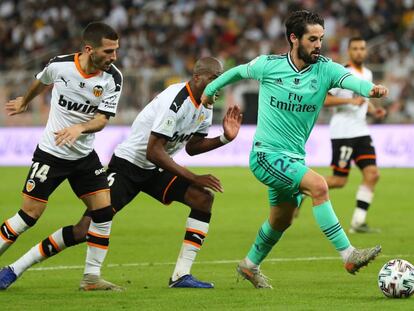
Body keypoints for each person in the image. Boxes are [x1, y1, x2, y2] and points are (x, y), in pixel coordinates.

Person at [0, 57, 243, 290]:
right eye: (215, 78)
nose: (220, 85)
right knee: (84, 230)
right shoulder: (176, 101)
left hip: (155, 169)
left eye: (222, 79)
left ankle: (181, 275)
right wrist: (194, 177)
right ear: (198, 76)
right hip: (128, 166)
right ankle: (15, 268)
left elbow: (192, 147)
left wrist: (224, 138)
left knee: (203, 199)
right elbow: (153, 151)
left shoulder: (205, 105)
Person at [201, 10, 388, 289]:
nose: (318, 44)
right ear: (294, 38)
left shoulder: (325, 69)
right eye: (312, 39)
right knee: (319, 186)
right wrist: (210, 90)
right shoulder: (269, 65)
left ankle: (249, 265)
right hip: (265, 155)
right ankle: (349, 255)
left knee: (281, 220)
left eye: (321, 38)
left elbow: (350, 80)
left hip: (293, 157)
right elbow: (238, 71)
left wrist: (369, 89)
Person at [0, 22, 123, 291]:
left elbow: (102, 120)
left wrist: (80, 127)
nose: (114, 57)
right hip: (51, 154)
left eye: (116, 51)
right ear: (90, 50)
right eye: (109, 51)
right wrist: (25, 101)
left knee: (103, 213)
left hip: (83, 157)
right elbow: (42, 79)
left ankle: (91, 278)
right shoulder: (61, 65)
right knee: (29, 215)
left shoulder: (113, 78)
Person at [324, 37, 386, 233]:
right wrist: (349, 103)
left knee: (373, 174)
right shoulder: (342, 73)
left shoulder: (366, 73)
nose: (359, 52)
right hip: (343, 133)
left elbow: (363, 100)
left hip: (361, 131)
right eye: (355, 49)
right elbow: (324, 99)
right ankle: (302, 189)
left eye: (362, 48)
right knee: (339, 181)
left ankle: (358, 222)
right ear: (349, 51)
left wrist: (373, 109)